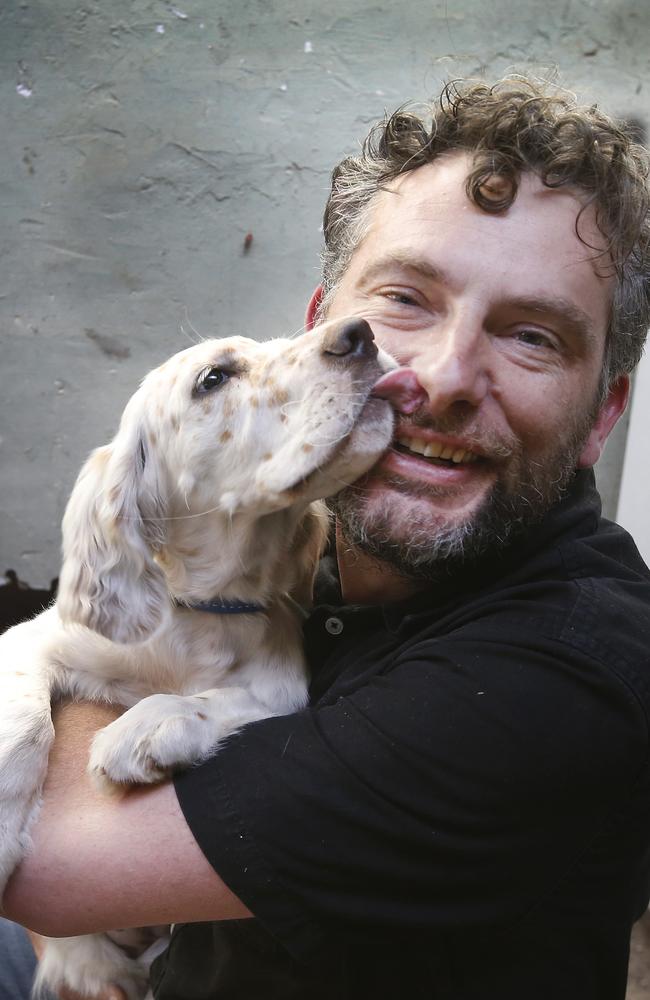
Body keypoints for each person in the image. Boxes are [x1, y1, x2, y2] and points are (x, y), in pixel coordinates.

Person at [3, 76, 650, 1000]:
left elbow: (44, 866)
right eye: (407, 299)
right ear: (316, 333)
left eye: (534, 336)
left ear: (604, 414)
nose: (446, 375)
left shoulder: (566, 676)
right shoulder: (313, 545)